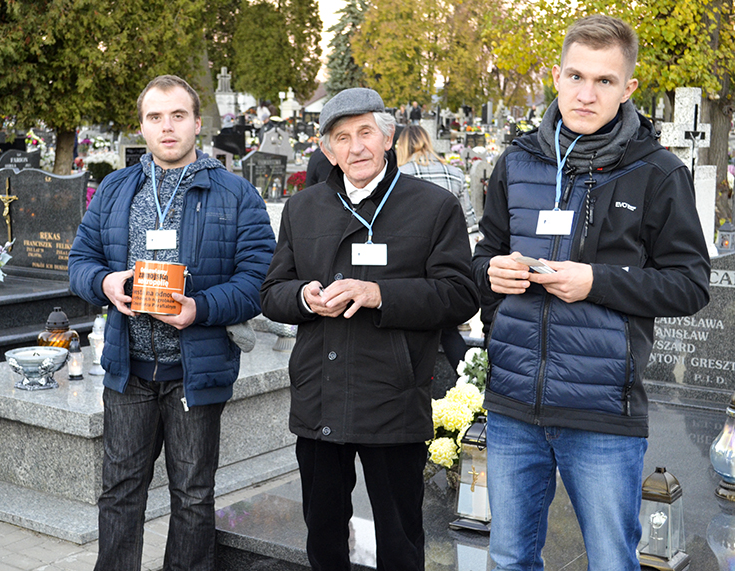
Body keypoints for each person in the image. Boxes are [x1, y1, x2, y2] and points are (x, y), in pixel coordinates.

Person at [471, 15, 710, 571]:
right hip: (511, 406)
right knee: (508, 559)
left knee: (609, 561)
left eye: (604, 81)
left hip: (602, 411)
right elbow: (486, 253)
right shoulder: (518, 161)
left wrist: (596, 282)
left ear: (628, 88)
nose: (586, 93)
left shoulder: (657, 172)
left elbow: (690, 284)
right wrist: (493, 278)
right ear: (556, 77)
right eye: (575, 76)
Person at [260, 87, 479, 571]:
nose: (356, 147)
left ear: (387, 137)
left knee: (400, 537)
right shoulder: (303, 208)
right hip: (319, 396)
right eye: (342, 137)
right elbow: (272, 292)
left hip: (392, 399)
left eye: (365, 133)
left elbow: (461, 295)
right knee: (324, 534)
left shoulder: (433, 206)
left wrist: (380, 294)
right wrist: (303, 297)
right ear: (326, 150)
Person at [68, 75, 275, 571]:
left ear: (197, 124)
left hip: (194, 373)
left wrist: (198, 309)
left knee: (193, 495)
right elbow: (80, 261)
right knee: (119, 492)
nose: (167, 127)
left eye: (178, 116)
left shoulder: (235, 194)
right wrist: (104, 284)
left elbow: (258, 281)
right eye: (155, 117)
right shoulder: (117, 189)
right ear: (142, 126)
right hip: (129, 371)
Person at [396, 124, 477, 370]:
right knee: (448, 330)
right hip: (448, 253)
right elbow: (470, 220)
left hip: (412, 257)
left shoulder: (400, 173)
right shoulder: (453, 173)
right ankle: (470, 384)